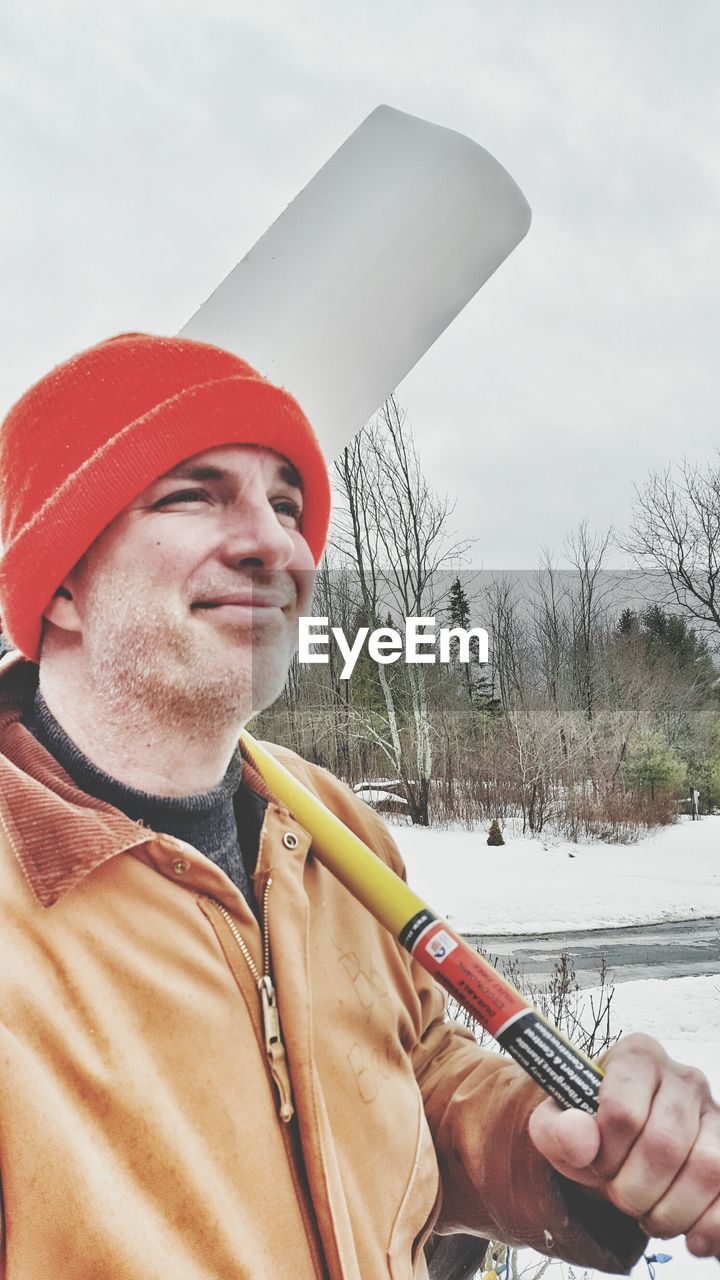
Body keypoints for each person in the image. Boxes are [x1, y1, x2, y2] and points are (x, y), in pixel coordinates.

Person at [0, 332, 717, 1280]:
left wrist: (553, 1147)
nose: (277, 543)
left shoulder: (330, 826)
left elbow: (413, 1071)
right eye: (191, 493)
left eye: (287, 505)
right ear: (60, 589)